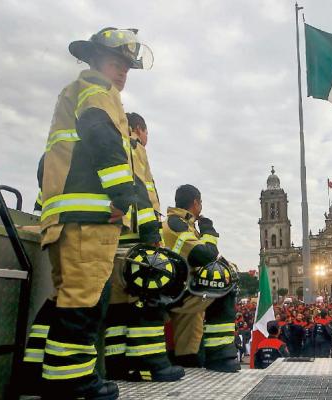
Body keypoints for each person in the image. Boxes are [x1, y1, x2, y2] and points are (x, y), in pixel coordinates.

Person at [25, 27, 155, 400]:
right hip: (89, 219)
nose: (121, 74)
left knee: (64, 299)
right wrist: (122, 195)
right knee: (84, 302)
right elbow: (102, 137)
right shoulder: (98, 91)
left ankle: (37, 373)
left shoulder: (74, 93)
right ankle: (71, 383)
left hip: (68, 217)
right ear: (97, 60)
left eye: (127, 69)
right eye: (117, 64)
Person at [103, 112, 184, 382]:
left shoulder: (104, 143)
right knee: (145, 300)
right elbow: (141, 192)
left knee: (116, 308)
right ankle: (150, 364)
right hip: (135, 238)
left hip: (110, 238)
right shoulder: (133, 146)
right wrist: (151, 234)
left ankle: (116, 365)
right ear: (139, 129)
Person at [162, 184, 240, 372]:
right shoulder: (175, 223)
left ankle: (188, 358)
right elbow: (204, 255)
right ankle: (220, 354)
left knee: (194, 317)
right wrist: (209, 232)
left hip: (178, 287)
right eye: (201, 202)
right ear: (196, 203)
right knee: (222, 287)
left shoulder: (183, 224)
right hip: (174, 291)